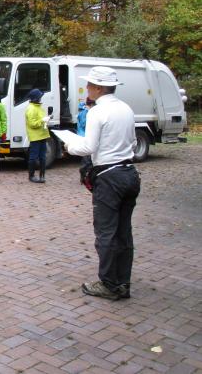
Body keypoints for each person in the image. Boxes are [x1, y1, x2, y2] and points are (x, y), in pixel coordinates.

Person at [64, 66, 140, 301]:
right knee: (123, 232)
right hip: (129, 173)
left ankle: (108, 283)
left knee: (105, 232)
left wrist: (69, 145)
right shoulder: (126, 109)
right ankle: (122, 282)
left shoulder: (98, 112)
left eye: (89, 85)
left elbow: (88, 147)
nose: (86, 88)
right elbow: (134, 143)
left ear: (98, 87)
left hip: (109, 177)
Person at [25, 88, 50, 183]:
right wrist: (43, 121)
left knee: (43, 156)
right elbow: (32, 124)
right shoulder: (31, 108)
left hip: (43, 134)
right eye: (39, 97)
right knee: (33, 156)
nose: (41, 98)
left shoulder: (39, 107)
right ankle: (31, 175)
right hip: (35, 136)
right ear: (36, 98)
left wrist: (46, 120)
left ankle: (42, 175)